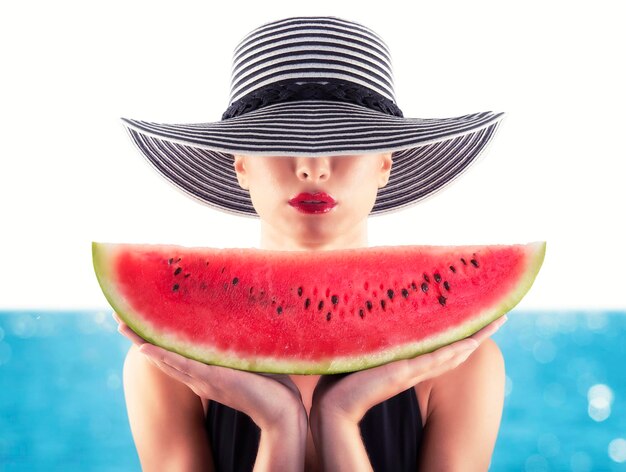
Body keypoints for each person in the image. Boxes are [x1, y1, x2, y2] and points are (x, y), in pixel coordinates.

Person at [113, 16, 508, 471]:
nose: (313, 167)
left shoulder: (462, 365)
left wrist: (338, 418)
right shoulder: (166, 366)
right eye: (280, 139)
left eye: (347, 138)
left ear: (385, 163)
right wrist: (278, 422)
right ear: (241, 164)